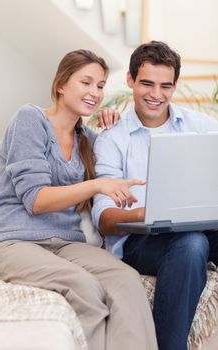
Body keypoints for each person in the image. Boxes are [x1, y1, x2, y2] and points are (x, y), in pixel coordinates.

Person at [0, 49, 158, 350]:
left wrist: (112, 128)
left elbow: (121, 158)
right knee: (83, 287)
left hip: (66, 244)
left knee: (127, 282)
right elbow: (36, 200)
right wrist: (95, 186)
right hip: (11, 242)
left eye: (101, 85)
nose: (94, 92)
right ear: (62, 84)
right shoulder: (30, 119)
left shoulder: (88, 139)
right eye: (86, 82)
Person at [92, 41, 218, 350]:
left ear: (175, 86)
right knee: (191, 244)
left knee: (195, 237)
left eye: (166, 86)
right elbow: (105, 220)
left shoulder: (201, 127)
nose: (156, 94)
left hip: (203, 226)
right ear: (130, 81)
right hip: (141, 243)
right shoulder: (113, 139)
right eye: (146, 83)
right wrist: (145, 213)